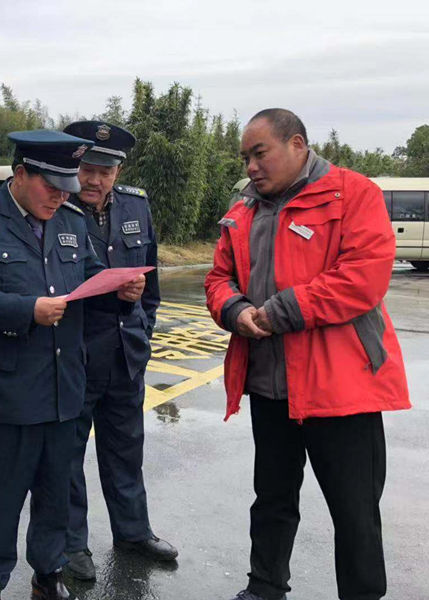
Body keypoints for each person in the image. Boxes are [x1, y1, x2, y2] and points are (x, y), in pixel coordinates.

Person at [204, 108, 410, 600]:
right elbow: (219, 277)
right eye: (245, 157)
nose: (251, 166)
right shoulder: (244, 208)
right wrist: (234, 310)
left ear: (297, 144)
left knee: (355, 510)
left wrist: (279, 311)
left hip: (341, 388)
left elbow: (362, 278)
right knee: (272, 498)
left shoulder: (353, 194)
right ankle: (264, 586)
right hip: (269, 385)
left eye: (260, 153)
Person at [0, 130, 146, 600]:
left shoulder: (70, 220)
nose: (60, 197)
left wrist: (120, 290)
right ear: (21, 174)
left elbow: (90, 278)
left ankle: (48, 573)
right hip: (8, 392)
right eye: (51, 186)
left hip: (65, 386)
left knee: (57, 493)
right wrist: (26, 310)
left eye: (66, 188)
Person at [60, 120, 176, 581]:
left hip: (126, 354)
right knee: (66, 456)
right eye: (87, 169)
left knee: (126, 449)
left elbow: (152, 282)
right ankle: (71, 544)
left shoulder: (135, 204)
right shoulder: (55, 206)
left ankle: (133, 531)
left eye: (104, 171)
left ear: (118, 171)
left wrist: (144, 328)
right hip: (74, 354)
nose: (94, 180)